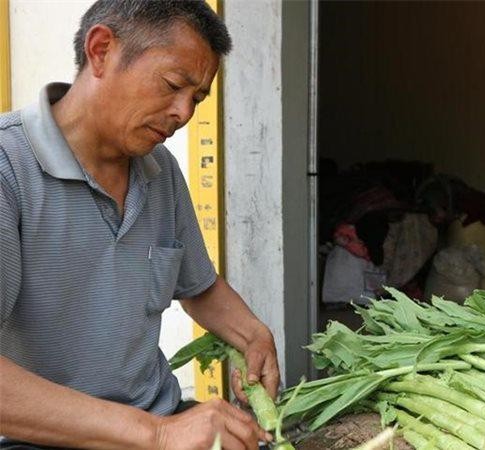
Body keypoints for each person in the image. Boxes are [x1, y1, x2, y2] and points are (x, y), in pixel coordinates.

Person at [0, 1, 280, 449]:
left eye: (197, 99)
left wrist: (253, 335)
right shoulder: (8, 170)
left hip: (158, 415)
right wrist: (158, 435)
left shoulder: (160, 171)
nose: (184, 113)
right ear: (101, 50)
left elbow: (198, 287)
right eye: (172, 86)